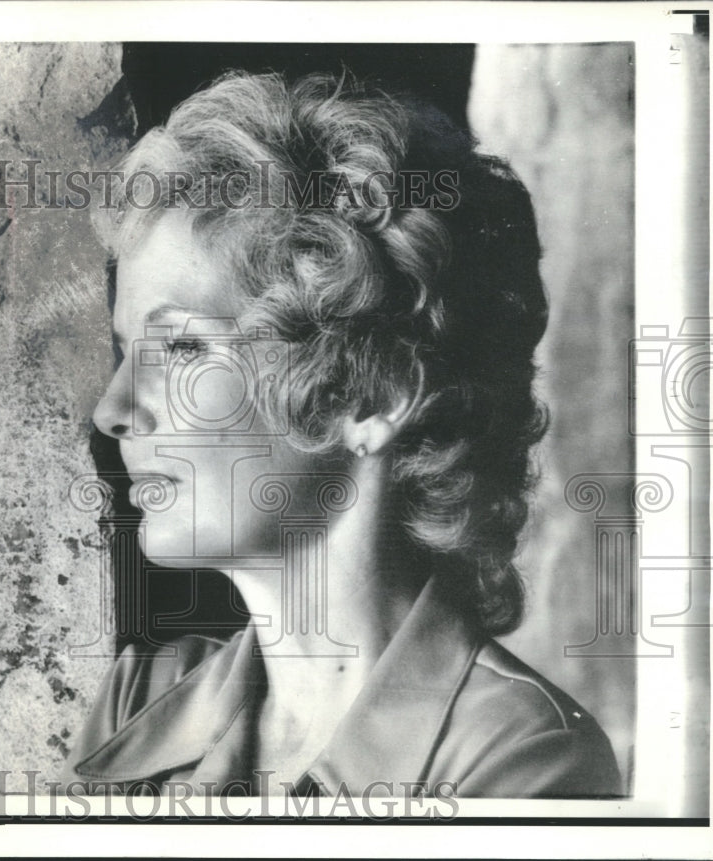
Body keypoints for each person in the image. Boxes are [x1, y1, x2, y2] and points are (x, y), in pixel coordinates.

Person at [62, 71, 621, 798]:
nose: (113, 410)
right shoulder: (138, 703)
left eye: (181, 348)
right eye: (125, 351)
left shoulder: (523, 760)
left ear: (369, 396)